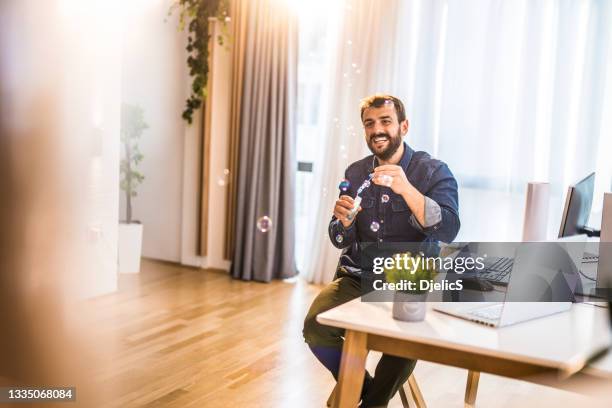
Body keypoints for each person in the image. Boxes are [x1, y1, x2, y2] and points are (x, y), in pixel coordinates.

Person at [303, 94, 460, 407]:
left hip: (411, 279)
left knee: (405, 339)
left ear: (403, 125)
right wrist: (342, 222)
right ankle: (368, 392)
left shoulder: (432, 172)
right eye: (369, 124)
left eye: (385, 121)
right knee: (316, 326)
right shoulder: (356, 172)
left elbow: (449, 227)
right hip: (360, 275)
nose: (377, 129)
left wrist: (407, 190)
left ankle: (373, 404)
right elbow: (338, 239)